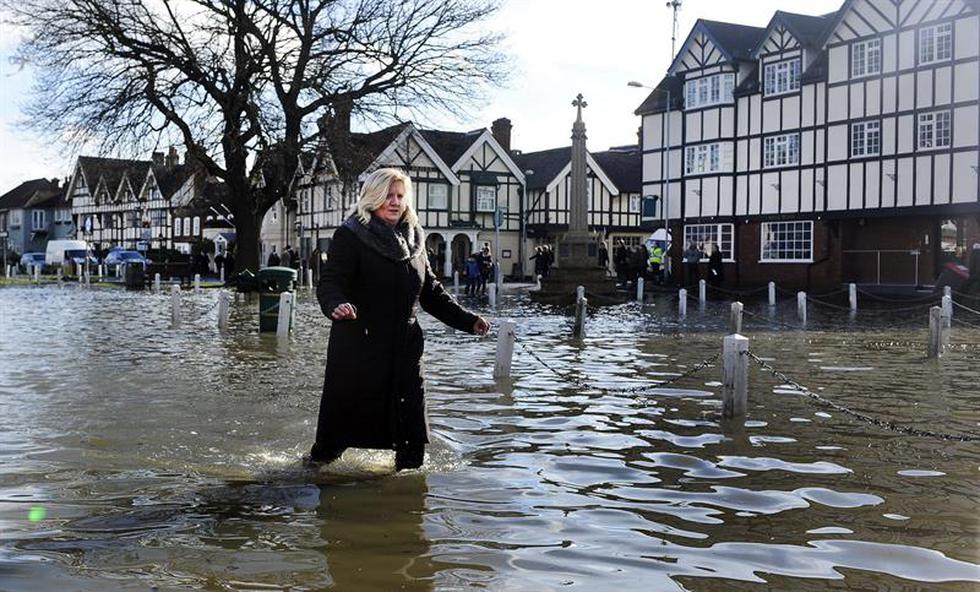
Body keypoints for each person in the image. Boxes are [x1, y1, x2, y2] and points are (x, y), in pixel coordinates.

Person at [311, 167, 490, 471]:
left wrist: (468, 320)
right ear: (372, 198)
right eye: (387, 196)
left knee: (411, 436)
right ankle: (310, 475)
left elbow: (431, 292)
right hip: (359, 347)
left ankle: (408, 497)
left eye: (400, 196)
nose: (394, 202)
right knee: (336, 437)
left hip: (405, 349)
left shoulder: (415, 242)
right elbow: (331, 282)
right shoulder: (350, 235)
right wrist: (336, 305)